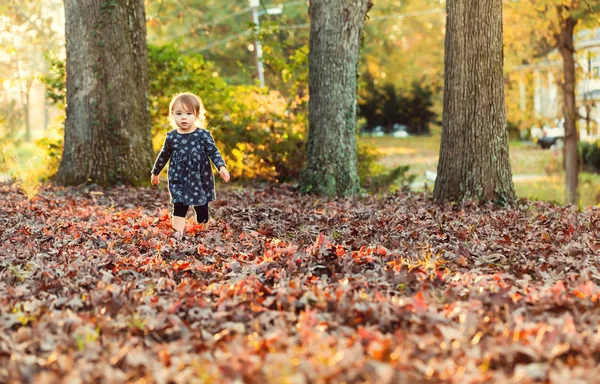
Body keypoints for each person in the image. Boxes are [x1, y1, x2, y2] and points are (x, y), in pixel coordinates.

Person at [151, 92, 230, 239]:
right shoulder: (172, 137)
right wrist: (155, 172)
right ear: (172, 115)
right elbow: (164, 155)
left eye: (188, 113)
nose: (183, 117)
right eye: (179, 113)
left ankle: (203, 232)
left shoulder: (203, 135)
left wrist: (221, 167)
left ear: (197, 115)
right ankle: (178, 233)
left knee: (201, 206)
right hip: (178, 178)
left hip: (199, 178)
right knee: (179, 204)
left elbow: (213, 152)